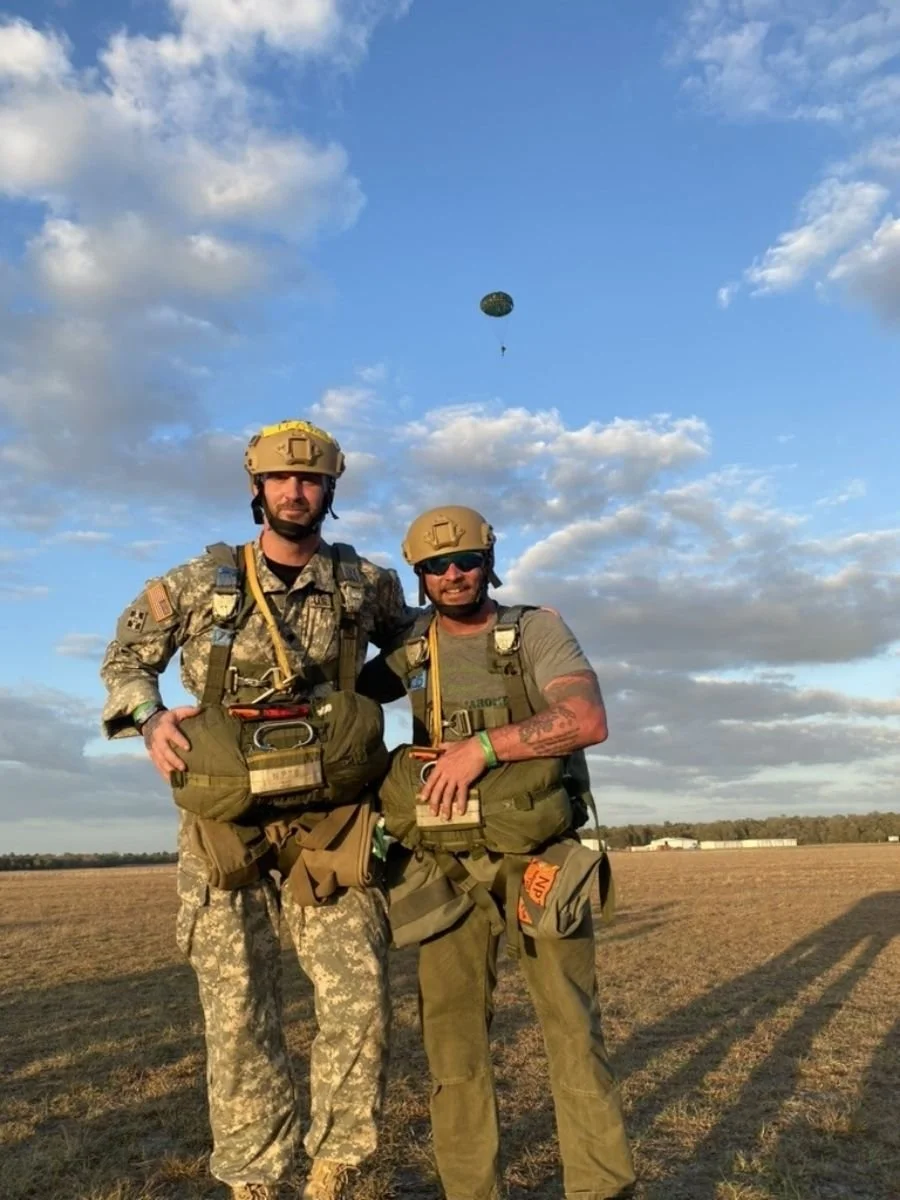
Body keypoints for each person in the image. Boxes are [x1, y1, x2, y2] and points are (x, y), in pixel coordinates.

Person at [100, 420, 415, 1200]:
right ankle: (253, 1179)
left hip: (331, 822)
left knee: (359, 1000)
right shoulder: (199, 584)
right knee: (238, 1013)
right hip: (225, 822)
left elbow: (424, 649)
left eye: (310, 481)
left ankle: (335, 1165)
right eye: (280, 479)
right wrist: (149, 718)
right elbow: (125, 658)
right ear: (257, 488)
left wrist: (355, 704)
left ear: (330, 492)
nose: (295, 491)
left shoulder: (364, 584)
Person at [359, 505, 636, 1200]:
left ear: (489, 561)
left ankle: (601, 1189)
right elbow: (342, 703)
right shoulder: (412, 646)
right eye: (435, 567)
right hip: (445, 872)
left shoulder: (534, 630)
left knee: (573, 1033)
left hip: (537, 859)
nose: (453, 576)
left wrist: (481, 750)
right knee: (453, 1054)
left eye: (466, 562)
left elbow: (586, 718)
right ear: (418, 578)